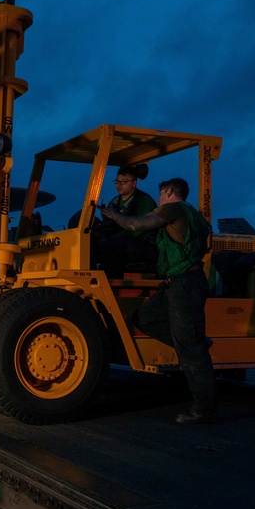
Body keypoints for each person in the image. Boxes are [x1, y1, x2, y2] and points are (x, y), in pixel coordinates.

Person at [100, 177, 216, 424]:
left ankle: (203, 409)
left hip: (185, 283)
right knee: (146, 317)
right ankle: (195, 341)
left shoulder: (173, 209)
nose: (159, 201)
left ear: (170, 192)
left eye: (161, 195)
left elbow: (134, 225)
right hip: (181, 282)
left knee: (191, 350)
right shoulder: (196, 217)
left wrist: (111, 215)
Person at [95, 166, 158, 278]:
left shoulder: (144, 201)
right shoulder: (114, 202)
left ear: (134, 183)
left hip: (142, 243)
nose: (119, 185)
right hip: (121, 240)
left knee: (110, 245)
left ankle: (112, 280)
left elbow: (138, 230)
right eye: (117, 181)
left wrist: (111, 236)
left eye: (124, 182)